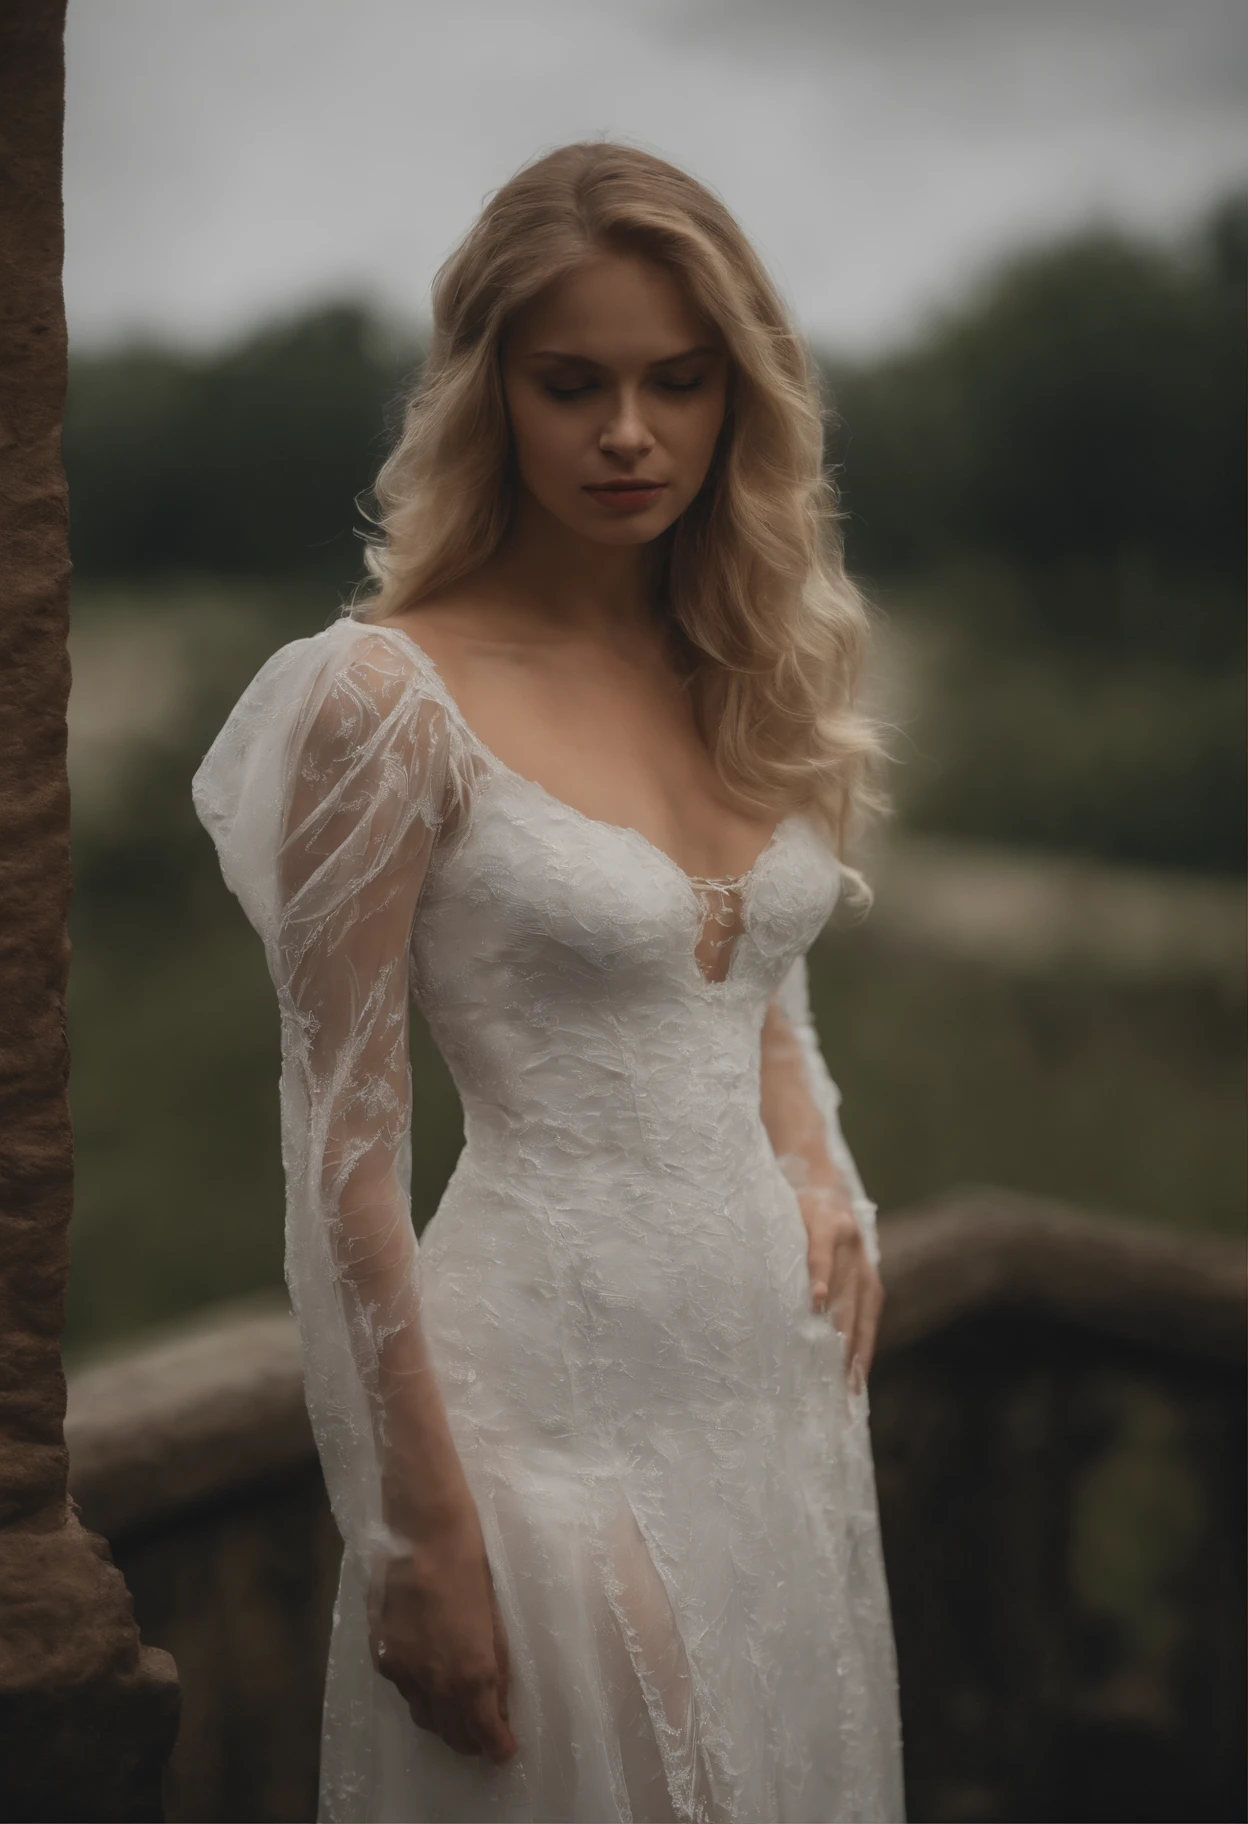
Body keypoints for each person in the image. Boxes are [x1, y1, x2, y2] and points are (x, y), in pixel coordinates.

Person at [194, 140, 904, 1824]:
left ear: (743, 392)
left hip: (774, 1408)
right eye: (573, 383)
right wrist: (416, 1531)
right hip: (540, 1424)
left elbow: (751, 978)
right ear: (485, 387)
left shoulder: (744, 655)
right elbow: (342, 1148)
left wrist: (821, 1156)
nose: (632, 432)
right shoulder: (384, 697)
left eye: (680, 380)